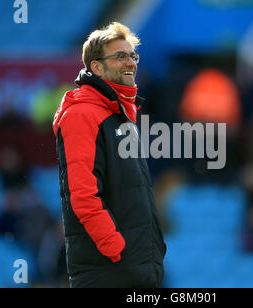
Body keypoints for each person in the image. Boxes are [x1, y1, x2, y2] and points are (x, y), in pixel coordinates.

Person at [52, 22, 166, 288]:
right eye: (120, 56)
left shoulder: (120, 115)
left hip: (134, 269)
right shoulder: (82, 114)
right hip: (109, 272)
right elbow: (82, 196)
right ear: (97, 67)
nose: (130, 62)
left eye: (132, 56)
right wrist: (117, 250)